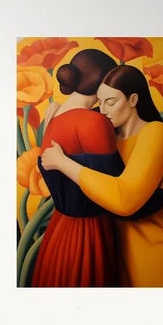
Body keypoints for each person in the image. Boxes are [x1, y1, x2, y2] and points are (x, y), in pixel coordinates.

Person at [39, 63, 163, 288]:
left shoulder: (154, 132)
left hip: (151, 248)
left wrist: (62, 163)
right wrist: (58, 108)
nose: (103, 109)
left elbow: (123, 201)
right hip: (115, 250)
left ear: (133, 100)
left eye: (111, 101)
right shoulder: (107, 128)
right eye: (100, 101)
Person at [28, 48, 122, 287]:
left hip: (60, 233)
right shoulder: (95, 121)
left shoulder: (54, 118)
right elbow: (114, 185)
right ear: (101, 82)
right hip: (89, 235)